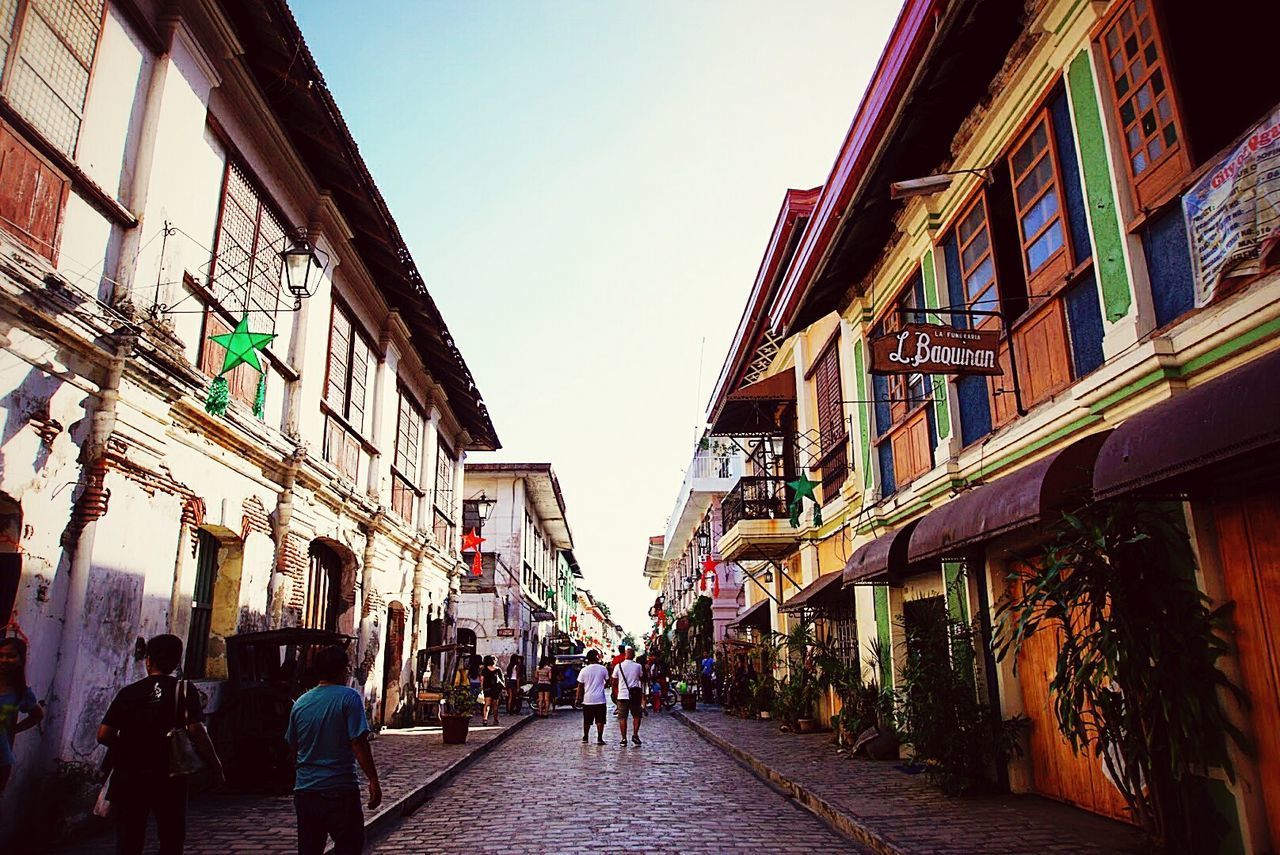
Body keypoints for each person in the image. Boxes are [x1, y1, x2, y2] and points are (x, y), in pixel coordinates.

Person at [97, 634, 224, 855]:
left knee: (129, 836)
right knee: (171, 835)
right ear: (176, 661)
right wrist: (215, 765)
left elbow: (104, 735)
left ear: (148, 660)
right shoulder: (184, 690)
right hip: (170, 773)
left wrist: (130, 745)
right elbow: (197, 732)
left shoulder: (129, 692)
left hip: (130, 774)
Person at [285, 645, 381, 855]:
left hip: (306, 791)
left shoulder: (300, 703)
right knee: (349, 846)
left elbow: (293, 747)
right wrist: (373, 779)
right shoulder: (349, 697)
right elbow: (358, 743)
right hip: (340, 788)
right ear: (342, 670)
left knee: (310, 849)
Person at [0, 636, 43, 795]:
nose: (4, 660)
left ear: (20, 660)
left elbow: (37, 715)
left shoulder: (21, 693)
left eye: (11, 656)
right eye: (1, 655)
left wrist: (13, 730)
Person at [611, 647, 645, 747]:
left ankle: (623, 738)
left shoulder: (618, 666)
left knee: (622, 718)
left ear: (625, 655)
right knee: (637, 716)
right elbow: (641, 677)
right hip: (634, 695)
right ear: (633, 655)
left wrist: (616, 691)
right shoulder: (638, 666)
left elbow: (614, 681)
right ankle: (635, 734)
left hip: (622, 695)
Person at [574, 649, 608, 745]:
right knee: (600, 720)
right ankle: (600, 738)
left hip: (588, 699)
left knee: (587, 720)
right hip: (600, 699)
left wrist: (578, 698)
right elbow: (608, 681)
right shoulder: (603, 669)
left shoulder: (584, 670)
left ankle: (585, 736)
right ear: (597, 657)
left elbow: (580, 686)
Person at [479, 655, 502, 726]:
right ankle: (495, 720)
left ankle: (485, 719)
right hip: (496, 689)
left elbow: (482, 680)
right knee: (495, 706)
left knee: (487, 704)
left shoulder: (484, 670)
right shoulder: (498, 670)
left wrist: (482, 689)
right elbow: (501, 680)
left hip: (487, 689)